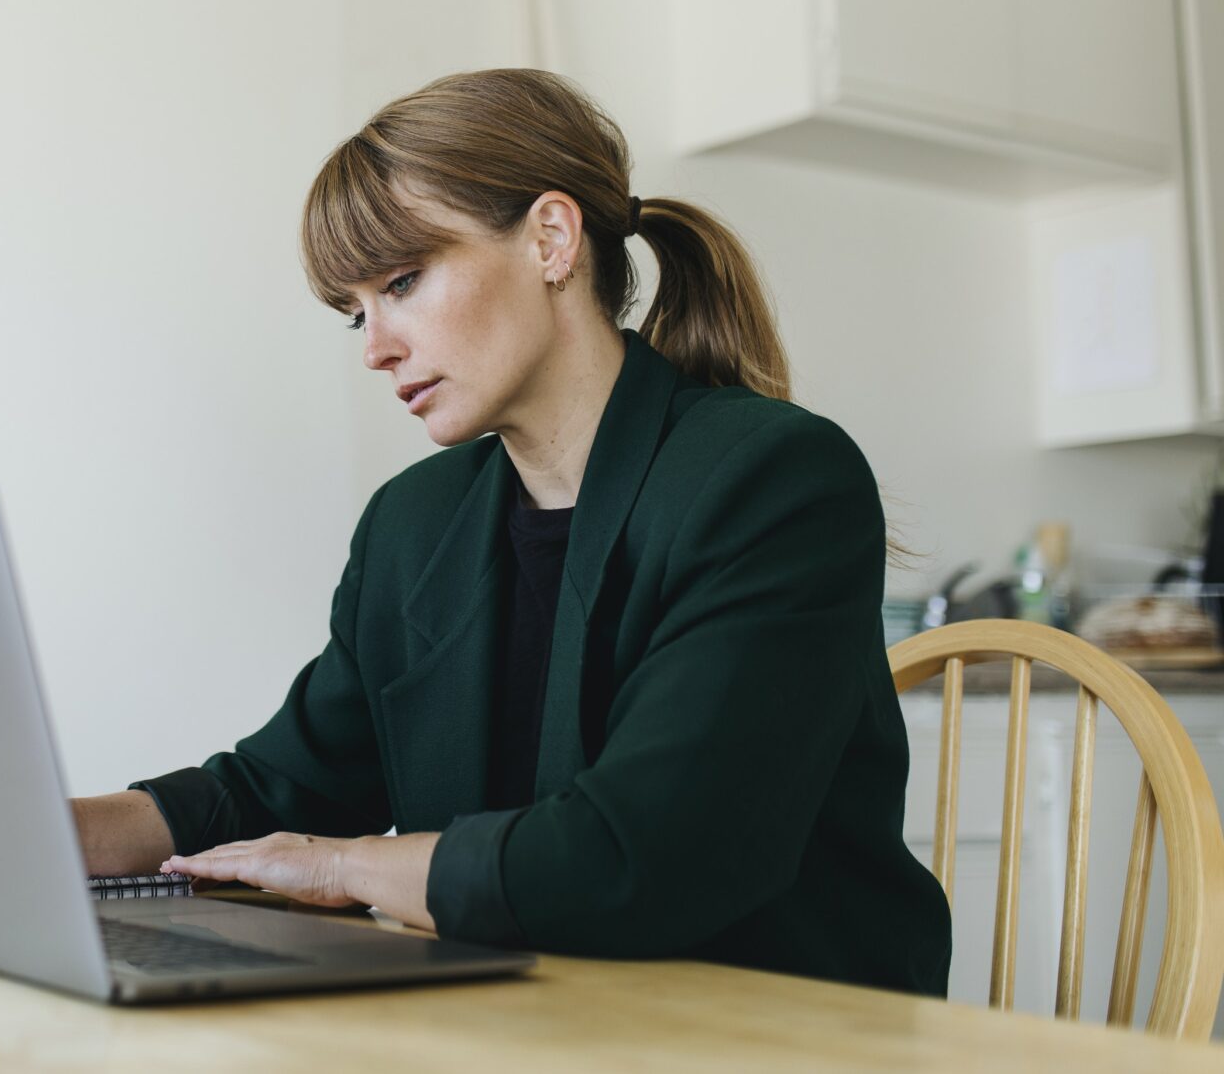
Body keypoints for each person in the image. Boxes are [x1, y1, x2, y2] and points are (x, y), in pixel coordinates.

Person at [70, 68, 953, 996]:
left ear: (550, 238)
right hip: (526, 1022)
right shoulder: (412, 525)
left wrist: (343, 866)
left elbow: (641, 854)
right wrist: (37, 834)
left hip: (774, 1034)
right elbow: (271, 790)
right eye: (357, 311)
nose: (376, 345)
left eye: (404, 280)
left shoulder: (772, 480)